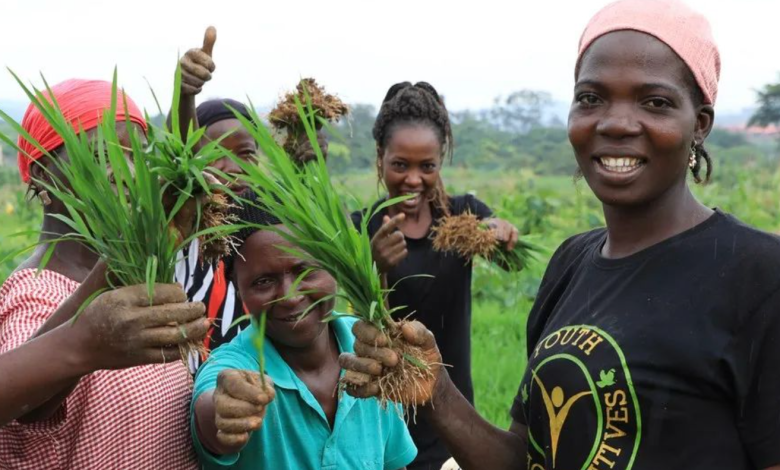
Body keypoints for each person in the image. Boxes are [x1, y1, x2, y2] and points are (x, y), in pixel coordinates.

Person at [340, 1, 780, 469]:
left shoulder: (758, 276)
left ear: (700, 124)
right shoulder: (571, 264)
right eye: (591, 98)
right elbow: (525, 459)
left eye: (655, 101)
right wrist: (436, 390)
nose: (614, 122)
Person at [0, 79, 208, 469]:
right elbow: (29, 403)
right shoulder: (34, 296)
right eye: (100, 154)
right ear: (43, 175)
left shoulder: (130, 279)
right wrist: (84, 339)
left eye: (136, 155)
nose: (124, 170)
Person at [350, 81, 519, 470]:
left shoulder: (462, 217)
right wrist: (375, 267)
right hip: (386, 418)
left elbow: (511, 262)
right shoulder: (362, 229)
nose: (413, 180)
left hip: (454, 412)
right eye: (400, 165)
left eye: (427, 166)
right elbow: (363, 325)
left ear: (441, 160)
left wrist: (502, 231)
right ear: (380, 158)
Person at [190, 190, 417, 469]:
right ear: (237, 287)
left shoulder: (369, 346)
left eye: (305, 271)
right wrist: (225, 411)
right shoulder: (233, 364)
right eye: (263, 281)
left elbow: (393, 462)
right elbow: (212, 413)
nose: (290, 296)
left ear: (334, 264)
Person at [173, 29, 329, 365]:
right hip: (191, 397)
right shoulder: (185, 234)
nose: (231, 168)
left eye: (245, 153)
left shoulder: (269, 233)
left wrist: (309, 164)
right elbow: (181, 157)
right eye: (213, 153)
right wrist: (185, 95)